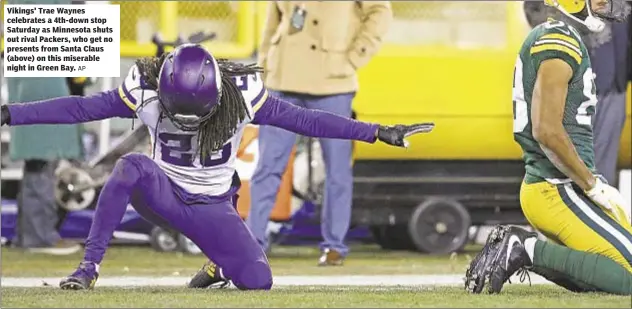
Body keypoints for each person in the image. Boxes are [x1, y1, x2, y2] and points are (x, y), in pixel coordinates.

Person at [0, 44, 433, 290]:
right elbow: (80, 108)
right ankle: (87, 268)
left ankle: (219, 264)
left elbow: (308, 120)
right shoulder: (147, 88)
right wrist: (10, 113)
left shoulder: (242, 95)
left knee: (257, 281)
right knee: (131, 165)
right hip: (163, 194)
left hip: (211, 207)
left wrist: (377, 131)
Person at [465, 0, 632, 295]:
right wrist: (591, 184)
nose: (607, 5)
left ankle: (524, 249)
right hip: (557, 187)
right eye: (599, 0)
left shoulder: (560, 35)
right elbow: (546, 130)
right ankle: (523, 248)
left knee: (610, 267)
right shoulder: (558, 40)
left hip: (563, 185)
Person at [248, 1, 393, 267]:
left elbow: (380, 11)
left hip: (332, 82)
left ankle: (334, 246)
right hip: (282, 79)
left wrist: (354, 56)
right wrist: (263, 67)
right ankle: (251, 246)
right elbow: (273, 20)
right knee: (267, 168)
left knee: (337, 170)